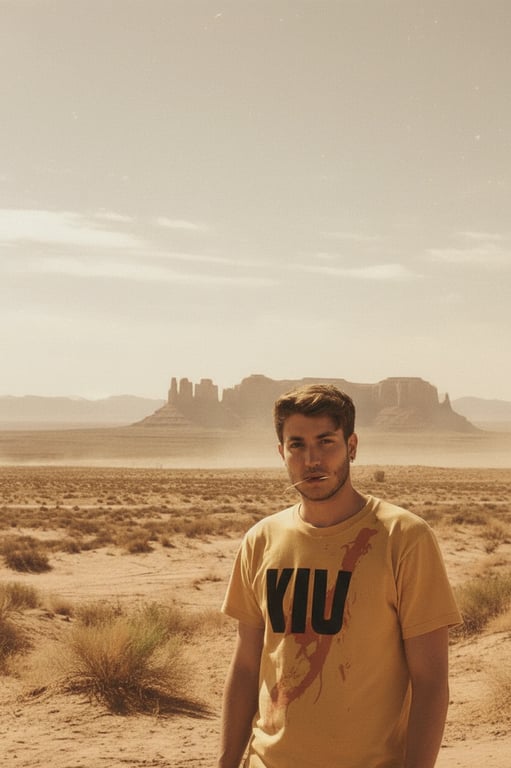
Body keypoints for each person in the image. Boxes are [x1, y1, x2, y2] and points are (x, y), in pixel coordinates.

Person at [217, 384, 461, 768]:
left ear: (352, 446)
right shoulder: (261, 540)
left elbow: (430, 681)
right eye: (297, 445)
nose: (311, 459)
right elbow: (247, 665)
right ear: (282, 452)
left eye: (326, 442)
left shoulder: (404, 538)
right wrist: (227, 761)